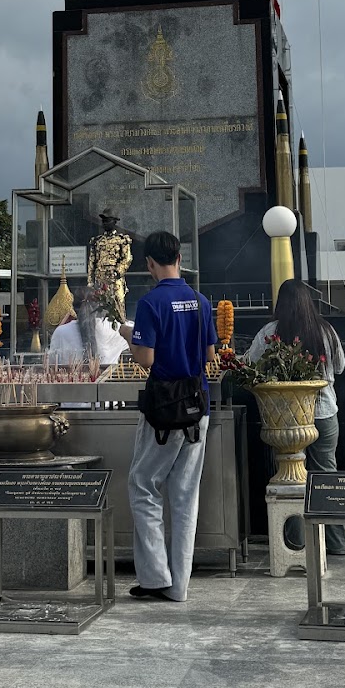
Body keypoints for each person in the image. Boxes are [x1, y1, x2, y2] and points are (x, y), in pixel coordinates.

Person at [127, 230, 216, 602]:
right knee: (185, 496)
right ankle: (179, 586)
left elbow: (145, 359)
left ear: (149, 264)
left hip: (164, 411)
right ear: (180, 257)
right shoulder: (200, 300)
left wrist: (127, 335)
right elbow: (210, 355)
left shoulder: (150, 304)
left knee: (143, 485)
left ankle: (155, 578)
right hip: (198, 406)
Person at [247, 279, 345, 555]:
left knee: (291, 477)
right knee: (327, 475)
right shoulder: (326, 331)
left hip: (287, 418)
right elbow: (339, 367)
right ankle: (338, 543)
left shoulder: (271, 331)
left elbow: (249, 363)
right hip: (325, 413)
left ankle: (296, 542)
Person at [49, 287, 130, 366]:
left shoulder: (61, 332)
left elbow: (51, 365)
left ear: (73, 309)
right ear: (100, 307)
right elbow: (138, 332)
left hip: (70, 379)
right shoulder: (113, 329)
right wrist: (119, 314)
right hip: (108, 378)